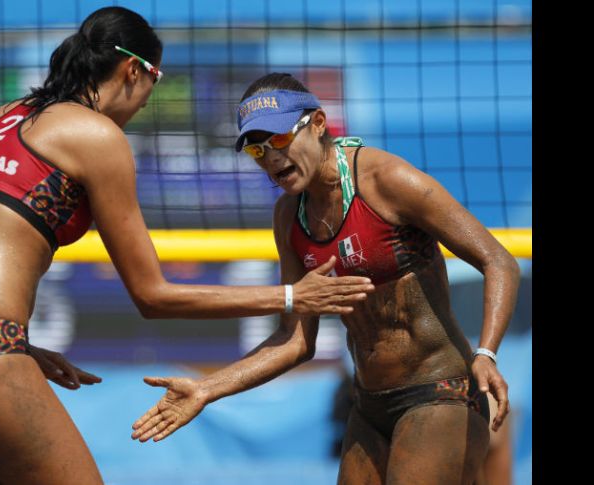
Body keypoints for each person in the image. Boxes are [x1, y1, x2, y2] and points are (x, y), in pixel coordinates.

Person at [0, 9, 374, 484]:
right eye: (154, 81)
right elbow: (153, 296)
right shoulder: (98, 135)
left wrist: (18, 347)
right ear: (132, 69)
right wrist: (292, 297)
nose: (145, 101)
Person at [131, 72, 520, 485]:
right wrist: (207, 389)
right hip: (368, 406)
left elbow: (500, 261)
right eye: (256, 150)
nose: (269, 158)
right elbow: (296, 341)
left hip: (440, 392)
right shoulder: (289, 216)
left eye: (279, 139)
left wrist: (487, 353)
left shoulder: (388, 181)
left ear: (318, 124)